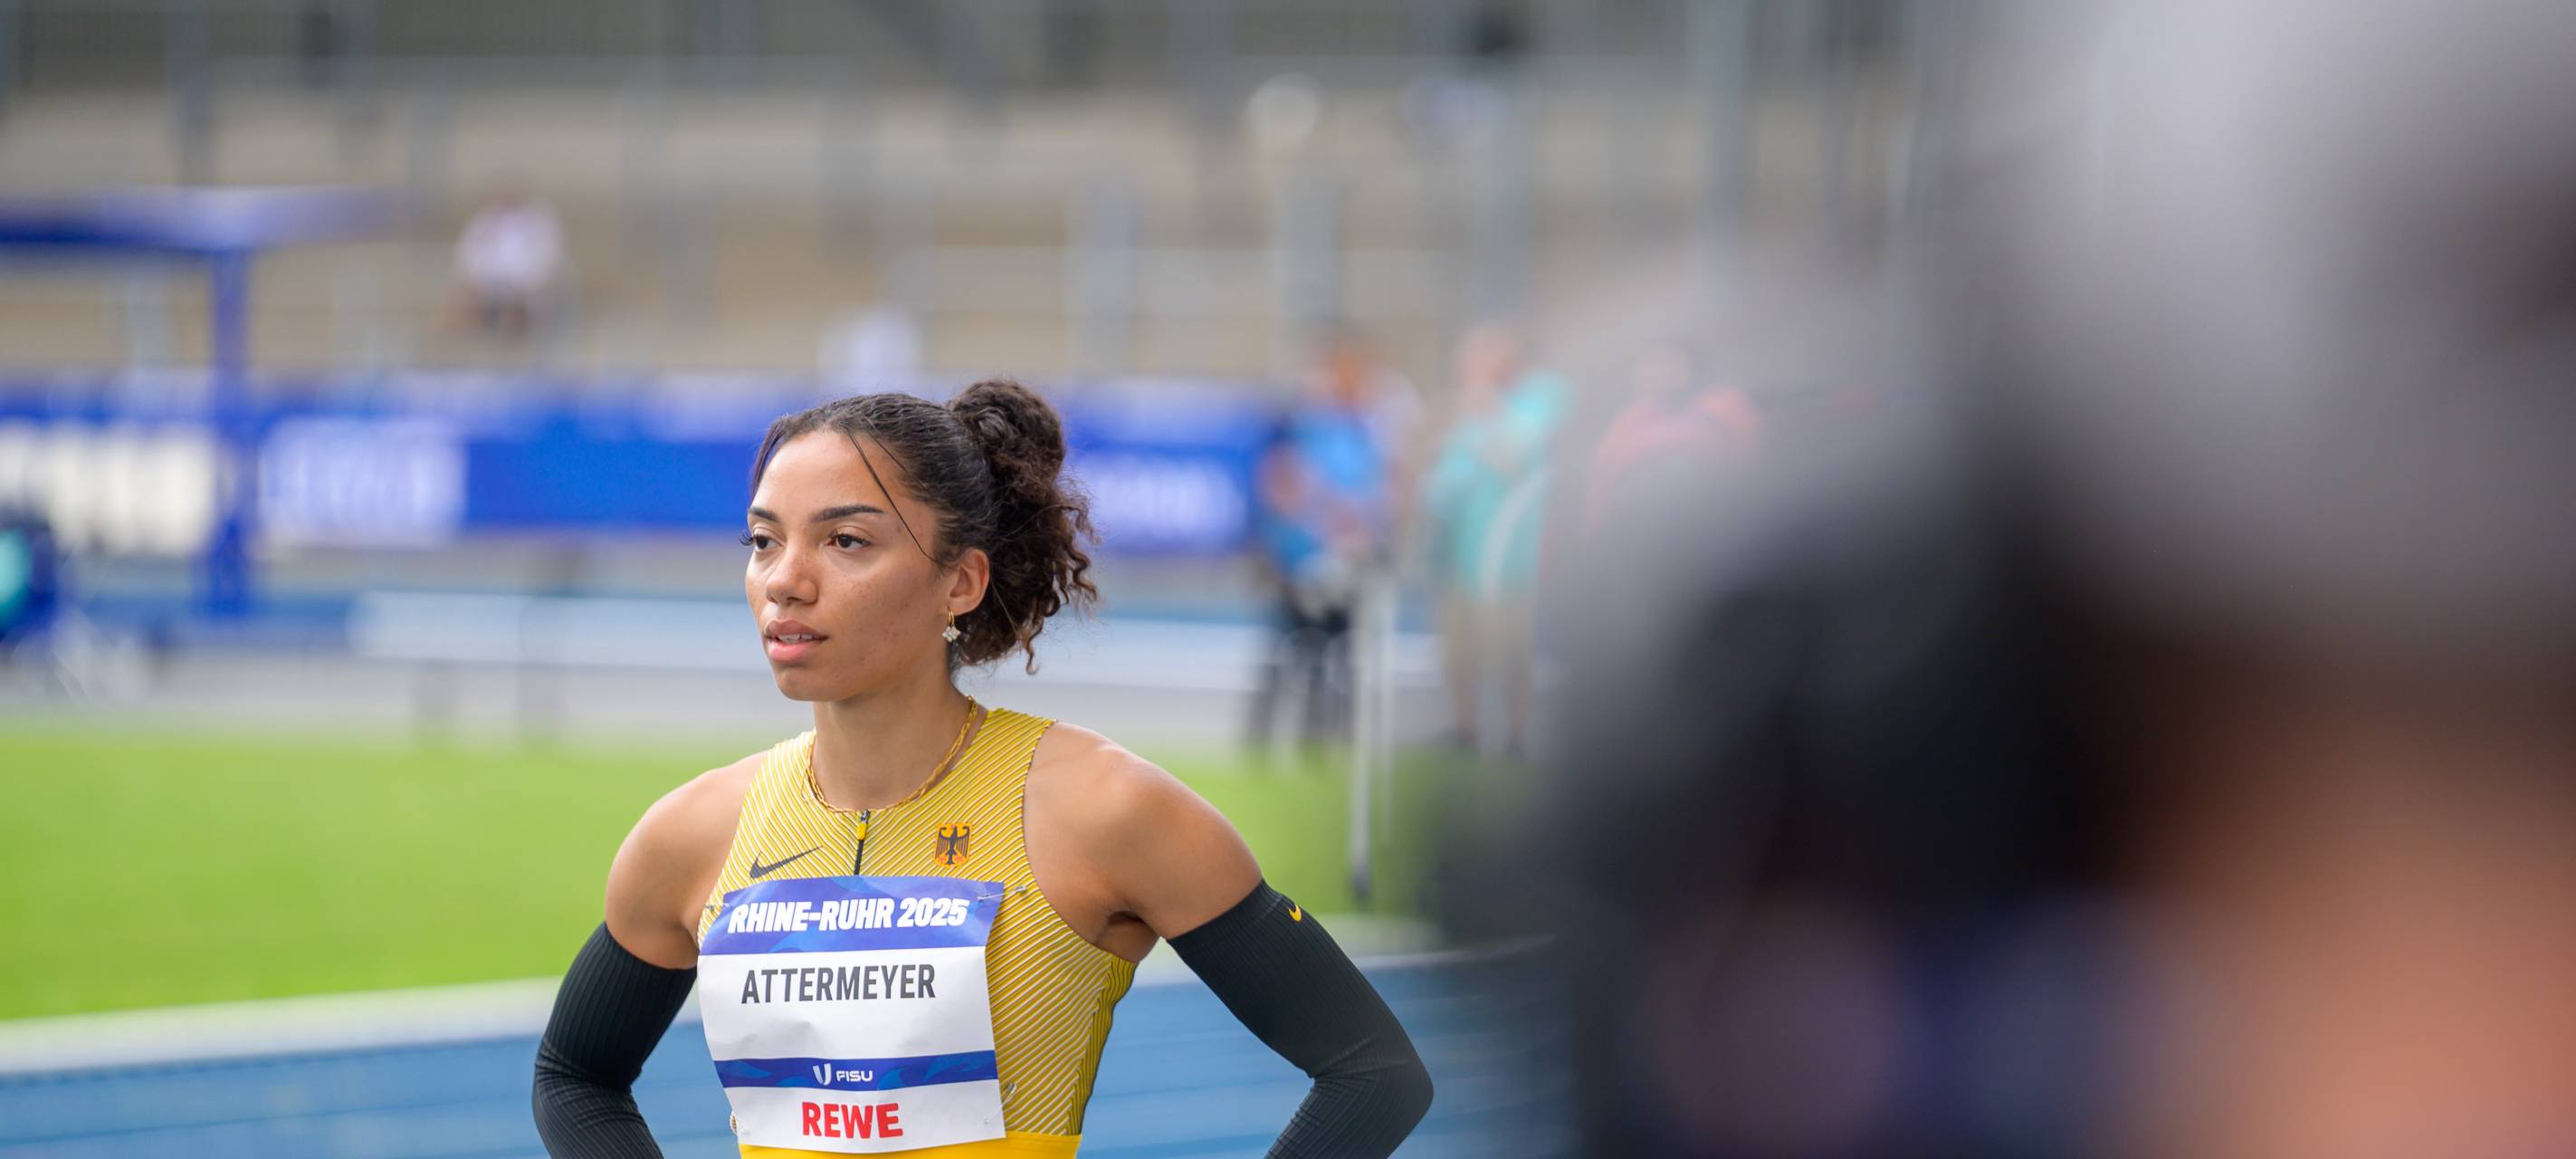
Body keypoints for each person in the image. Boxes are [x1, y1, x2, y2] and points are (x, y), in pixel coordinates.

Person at [531, 379, 1430, 1158]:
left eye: (845, 541)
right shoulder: (693, 835)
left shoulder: (1106, 809)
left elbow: (1373, 1071)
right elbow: (574, 1074)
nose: (785, 580)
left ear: (959, 582)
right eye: (763, 541)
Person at [1245, 332, 1413, 757]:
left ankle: (1320, 744)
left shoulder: (1368, 430)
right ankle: (1260, 744)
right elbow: (1277, 482)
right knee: (1282, 653)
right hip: (1297, 555)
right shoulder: (1300, 424)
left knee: (1338, 660)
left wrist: (1360, 533)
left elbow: (1386, 493)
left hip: (1345, 561)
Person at [1420, 323, 1569, 758]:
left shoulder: (1539, 400)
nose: (1469, 371)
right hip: (1457, 553)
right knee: (1458, 651)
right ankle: (1464, 729)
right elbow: (1439, 475)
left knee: (1510, 650)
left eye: (1478, 359)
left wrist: (1485, 410)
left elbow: (1511, 458)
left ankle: (1516, 736)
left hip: (1510, 557)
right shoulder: (1464, 412)